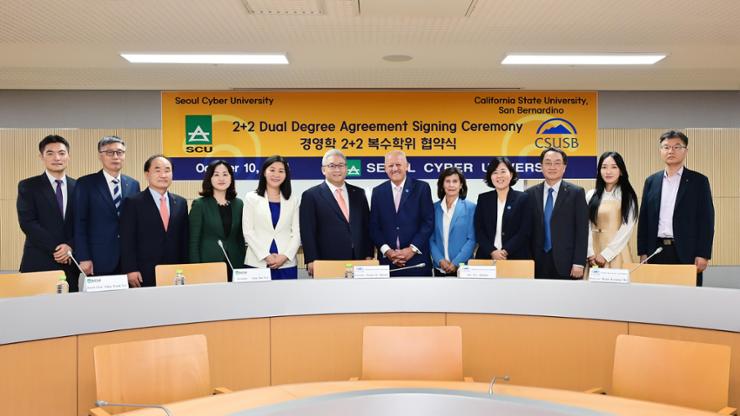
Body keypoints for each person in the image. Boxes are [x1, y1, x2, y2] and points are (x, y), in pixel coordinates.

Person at [637, 130, 714, 286]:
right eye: (666, 147)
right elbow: (644, 218)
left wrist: (703, 254)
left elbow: (706, 220)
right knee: (656, 299)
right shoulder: (651, 181)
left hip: (687, 253)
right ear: (660, 151)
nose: (670, 151)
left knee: (687, 300)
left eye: (676, 147)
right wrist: (643, 252)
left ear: (686, 150)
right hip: (656, 251)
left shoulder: (698, 181)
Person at [17, 135, 78, 291]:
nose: (57, 157)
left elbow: (84, 223)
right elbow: (28, 223)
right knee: (35, 312)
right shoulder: (28, 186)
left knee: (69, 312)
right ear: (41, 156)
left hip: (70, 263)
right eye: (50, 153)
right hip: (38, 260)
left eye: (62, 153)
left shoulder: (79, 187)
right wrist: (58, 249)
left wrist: (70, 246)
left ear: (68, 156)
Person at [74, 136, 140, 276]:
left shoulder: (133, 184)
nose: (115, 156)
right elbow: (80, 222)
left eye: (120, 152)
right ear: (100, 156)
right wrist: (84, 257)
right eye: (110, 152)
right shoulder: (85, 184)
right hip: (98, 259)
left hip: (126, 261)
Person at [300, 149, 373, 276]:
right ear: (323, 170)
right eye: (332, 166)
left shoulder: (359, 193)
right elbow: (308, 231)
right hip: (326, 260)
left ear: (346, 168)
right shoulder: (311, 195)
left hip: (359, 259)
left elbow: (366, 226)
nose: (337, 170)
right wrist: (311, 259)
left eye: (341, 165)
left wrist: (368, 254)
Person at [120, 155, 188, 287]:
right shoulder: (133, 202)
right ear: (147, 174)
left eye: (167, 170)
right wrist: (130, 269)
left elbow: (184, 240)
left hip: (175, 272)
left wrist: (185, 267)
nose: (163, 175)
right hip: (144, 272)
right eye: (157, 170)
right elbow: (127, 239)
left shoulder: (180, 203)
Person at [526, 147, 588, 279]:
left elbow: (582, 230)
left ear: (564, 167)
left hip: (567, 262)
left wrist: (579, 262)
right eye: (547, 163)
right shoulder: (530, 194)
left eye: (557, 163)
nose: (552, 167)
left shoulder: (576, 193)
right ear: (541, 166)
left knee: (566, 299)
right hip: (536, 261)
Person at [369, 150, 433, 276]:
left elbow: (428, 222)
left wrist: (411, 249)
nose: (394, 168)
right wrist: (387, 251)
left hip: (417, 262)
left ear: (407, 166)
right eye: (390, 165)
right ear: (385, 169)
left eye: (398, 164)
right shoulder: (378, 192)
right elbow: (374, 227)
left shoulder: (422, 188)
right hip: (388, 263)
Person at [243, 156, 301, 279]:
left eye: (281, 171)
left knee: (287, 298)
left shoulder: (293, 200)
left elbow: (297, 232)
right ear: (264, 172)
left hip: (286, 263)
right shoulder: (251, 198)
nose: (276, 174)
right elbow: (248, 231)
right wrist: (266, 256)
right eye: (272, 170)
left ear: (286, 174)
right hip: (257, 262)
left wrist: (285, 256)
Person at [189, 160, 246, 280]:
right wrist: (195, 268)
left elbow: (240, 238)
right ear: (209, 178)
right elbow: (193, 241)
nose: (221, 178)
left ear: (231, 178)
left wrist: (242, 264)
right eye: (216, 174)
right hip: (208, 263)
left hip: (235, 263)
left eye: (225, 174)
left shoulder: (239, 204)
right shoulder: (200, 204)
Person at [586, 152, 638, 269]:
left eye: (614, 167)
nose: (608, 171)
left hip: (616, 252)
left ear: (621, 171)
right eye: (604, 167)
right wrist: (590, 253)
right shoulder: (591, 195)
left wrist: (606, 254)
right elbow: (586, 225)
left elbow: (627, 229)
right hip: (593, 253)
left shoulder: (627, 196)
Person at [474, 157, 531, 261]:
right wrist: (492, 251)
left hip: (515, 257)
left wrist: (505, 251)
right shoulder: (483, 199)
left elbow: (524, 230)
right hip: (487, 257)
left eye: (503, 171)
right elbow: (478, 230)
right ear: (490, 176)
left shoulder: (523, 198)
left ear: (511, 174)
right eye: (495, 172)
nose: (499, 176)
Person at [429, 167, 476, 276]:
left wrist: (456, 263)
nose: (451, 185)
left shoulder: (471, 208)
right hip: (439, 268)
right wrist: (440, 260)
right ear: (442, 185)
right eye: (447, 181)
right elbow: (430, 239)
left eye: (455, 181)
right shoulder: (433, 208)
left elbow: (472, 240)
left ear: (461, 185)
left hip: (464, 269)